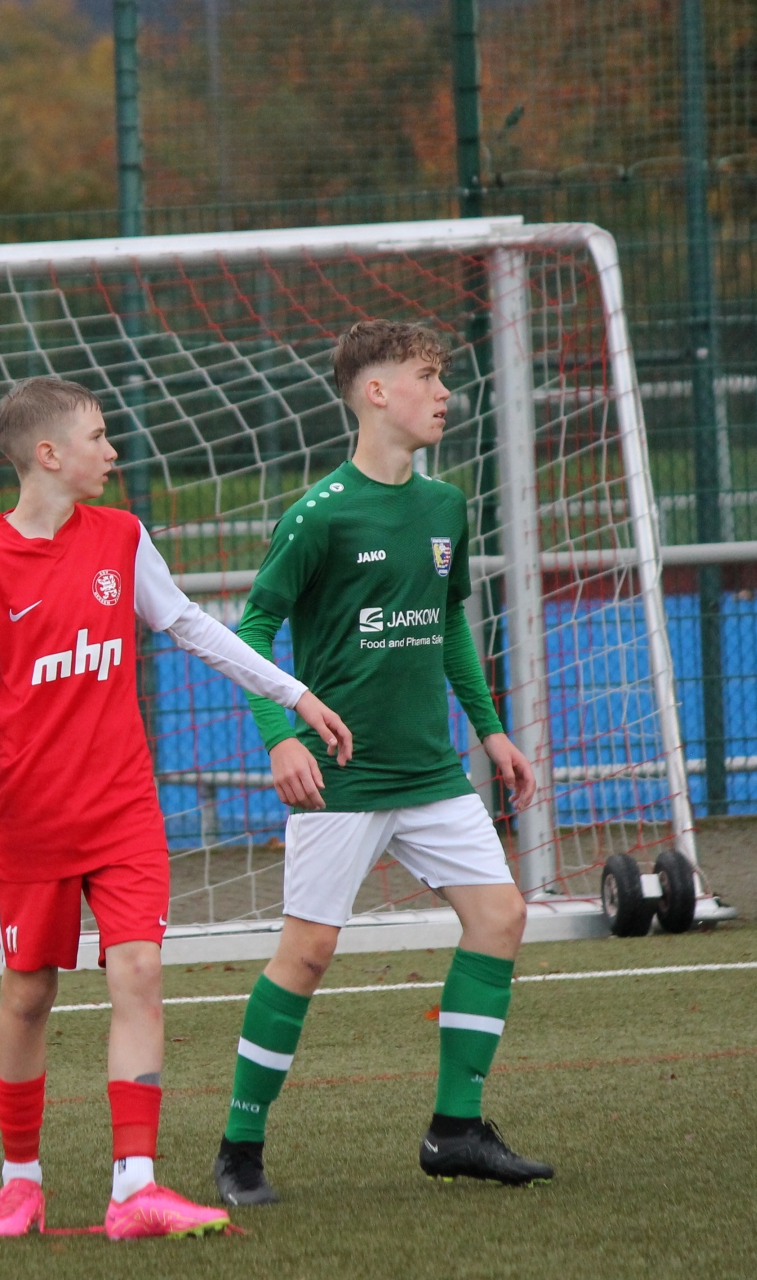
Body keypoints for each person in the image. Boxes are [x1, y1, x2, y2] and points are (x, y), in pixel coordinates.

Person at [0, 376, 350, 1240]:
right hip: (35, 822)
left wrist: (294, 693)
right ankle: (20, 1185)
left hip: (124, 810)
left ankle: (136, 1188)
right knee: (27, 995)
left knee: (139, 974)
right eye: (98, 436)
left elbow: (191, 625)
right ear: (49, 453)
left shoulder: (122, 538)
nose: (113, 450)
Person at [209, 319, 554, 1207]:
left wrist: (490, 731)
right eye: (427, 378)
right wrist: (279, 734)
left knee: (501, 917)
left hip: (430, 771)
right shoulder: (318, 515)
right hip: (343, 775)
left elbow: (446, 625)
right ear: (375, 392)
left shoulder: (445, 506)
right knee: (308, 954)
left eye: (443, 379)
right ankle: (239, 1149)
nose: (444, 395)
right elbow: (250, 632)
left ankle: (456, 1131)